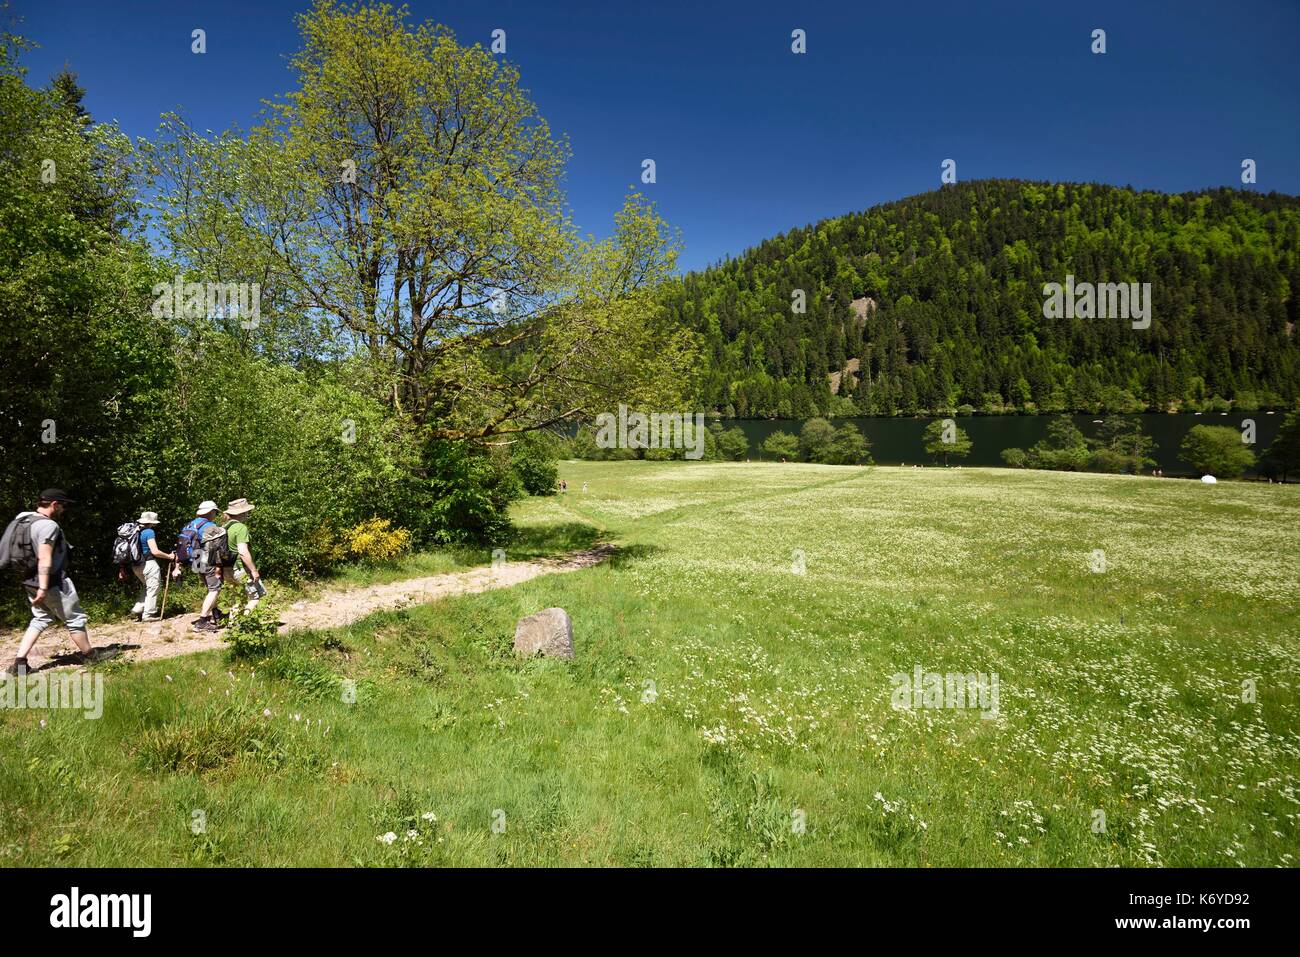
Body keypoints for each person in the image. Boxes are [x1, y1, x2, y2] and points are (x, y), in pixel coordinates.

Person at [4, 489, 104, 675]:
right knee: (75, 618)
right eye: (63, 506)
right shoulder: (48, 526)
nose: (64, 510)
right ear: (54, 504)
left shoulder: (23, 518)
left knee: (41, 618)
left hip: (28, 579)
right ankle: (91, 656)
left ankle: (20, 663)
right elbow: (44, 556)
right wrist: (43, 586)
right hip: (51, 582)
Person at [175, 501, 227, 633]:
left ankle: (216, 614)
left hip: (195, 558)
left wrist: (178, 565)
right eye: (215, 511)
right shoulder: (209, 526)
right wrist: (219, 566)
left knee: (210, 588)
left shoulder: (190, 524)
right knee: (215, 589)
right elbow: (215, 548)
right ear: (210, 512)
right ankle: (202, 621)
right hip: (206, 558)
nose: (215, 514)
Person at [131, 511, 175, 621]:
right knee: (153, 587)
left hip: (136, 565)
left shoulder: (135, 531)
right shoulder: (149, 532)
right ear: (152, 522)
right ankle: (148, 614)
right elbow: (155, 551)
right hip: (148, 563)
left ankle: (138, 608)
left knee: (147, 587)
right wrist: (169, 556)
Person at [221, 498, 263, 613]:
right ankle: (244, 623)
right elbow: (243, 552)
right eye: (246, 512)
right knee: (255, 598)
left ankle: (232, 624)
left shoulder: (223, 527)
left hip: (226, 569)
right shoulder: (240, 528)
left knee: (237, 599)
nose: (248, 514)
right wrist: (253, 570)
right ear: (242, 513)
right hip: (240, 569)